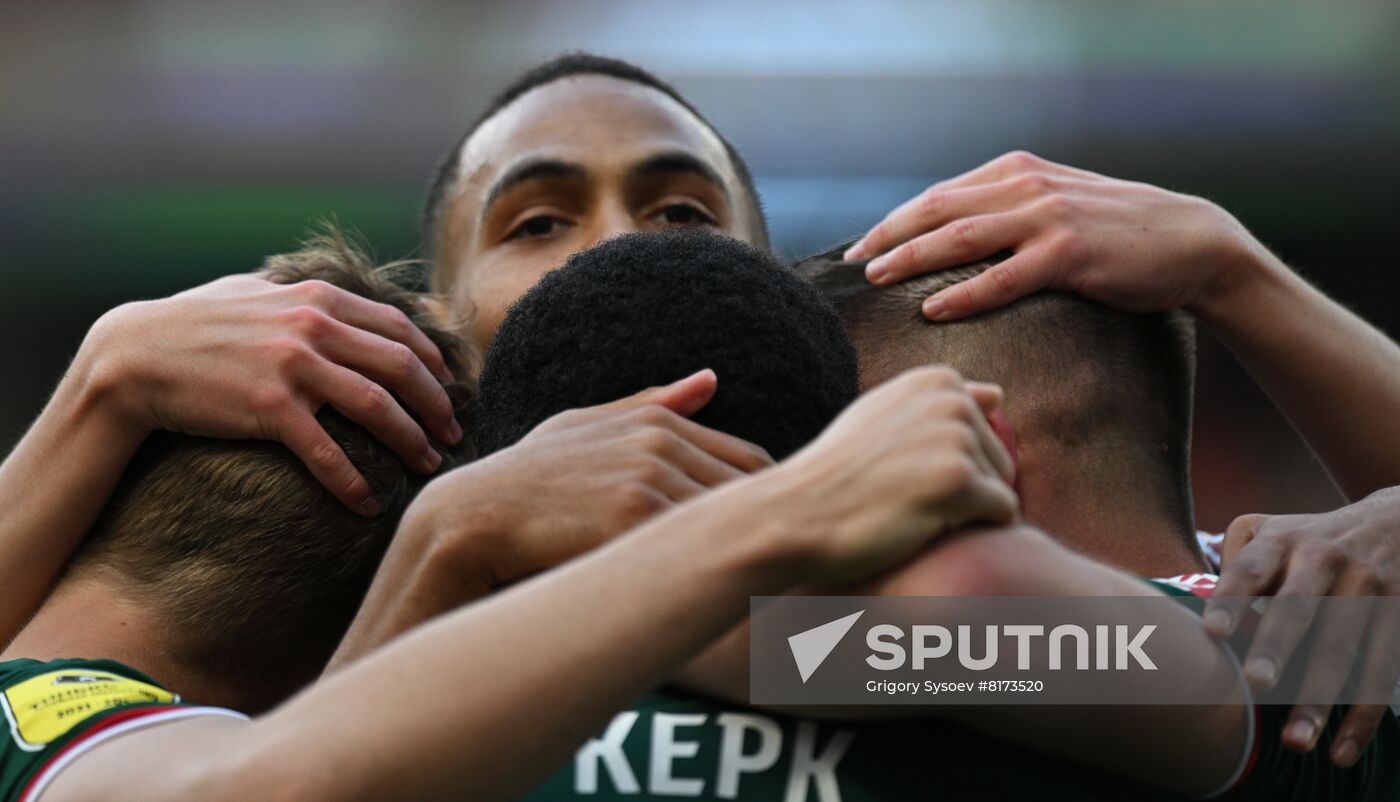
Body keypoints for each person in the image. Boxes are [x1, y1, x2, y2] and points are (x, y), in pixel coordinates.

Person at [0, 234, 1021, 802]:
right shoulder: (67, 731)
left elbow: (1179, 685)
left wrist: (104, 383)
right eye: (532, 222)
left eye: (680, 204)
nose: (611, 244)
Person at [459, 230, 1395, 800]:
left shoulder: (1289, 632)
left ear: (981, 447)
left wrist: (546, 571)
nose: (807, 504)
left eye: (836, 458)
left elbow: (969, 608)